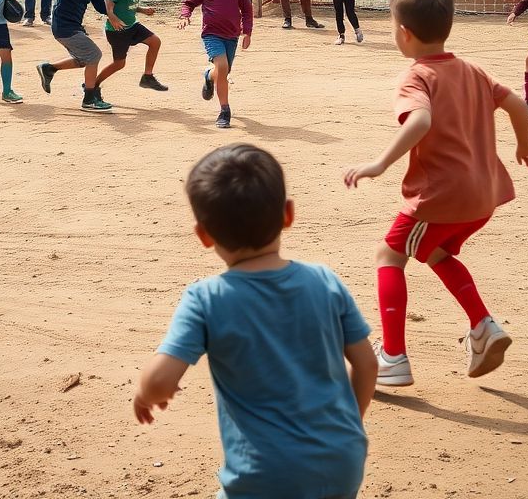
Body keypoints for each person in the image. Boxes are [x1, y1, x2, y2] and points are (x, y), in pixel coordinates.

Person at [134, 144, 376, 499]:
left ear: (203, 235)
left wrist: (145, 392)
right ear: (288, 215)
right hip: (342, 458)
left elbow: (159, 382)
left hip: (265, 473)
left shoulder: (206, 299)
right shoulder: (325, 281)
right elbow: (367, 364)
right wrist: (348, 426)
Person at [343, 0, 528, 387]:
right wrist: (525, 142)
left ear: (404, 33)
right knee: (434, 252)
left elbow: (420, 119)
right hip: (485, 195)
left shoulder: (417, 77)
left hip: (441, 197)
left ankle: (394, 357)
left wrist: (380, 163)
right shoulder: (472, 70)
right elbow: (514, 104)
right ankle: (483, 326)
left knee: (389, 255)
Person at [179, 0, 253, 130]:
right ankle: (225, 111)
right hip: (211, 35)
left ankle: (208, 76)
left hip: (232, 36)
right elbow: (189, 3)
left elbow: (246, 9)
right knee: (222, 66)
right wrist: (185, 16)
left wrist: (247, 32)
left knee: (223, 71)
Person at [35, 0, 111, 112]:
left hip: (74, 27)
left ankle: (49, 69)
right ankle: (89, 99)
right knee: (94, 54)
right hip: (63, 27)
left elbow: (100, 6)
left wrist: (119, 10)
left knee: (84, 59)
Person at [95, 0, 167, 94]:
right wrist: (112, 17)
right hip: (117, 31)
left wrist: (142, 10)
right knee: (119, 64)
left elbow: (128, 5)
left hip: (132, 25)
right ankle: (92, 85)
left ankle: (147, 77)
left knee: (155, 41)